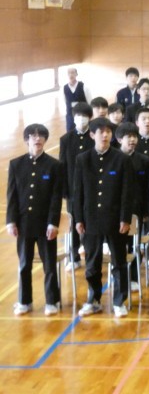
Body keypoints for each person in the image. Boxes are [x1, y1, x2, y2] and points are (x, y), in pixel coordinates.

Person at [74, 118, 133, 318]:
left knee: (119, 262)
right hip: (91, 219)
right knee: (92, 263)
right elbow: (78, 192)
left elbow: (127, 192)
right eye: (101, 132)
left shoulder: (121, 159)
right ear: (92, 135)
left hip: (115, 219)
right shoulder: (82, 159)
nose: (105, 135)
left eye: (108, 131)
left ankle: (119, 301)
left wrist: (125, 218)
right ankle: (94, 300)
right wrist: (78, 219)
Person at [7, 124, 63, 316]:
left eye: (41, 136)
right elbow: (12, 195)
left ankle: (52, 301)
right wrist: (11, 221)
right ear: (26, 140)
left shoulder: (54, 165)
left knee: (49, 265)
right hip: (23, 224)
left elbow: (56, 197)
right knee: (24, 264)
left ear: (45, 139)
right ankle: (25, 301)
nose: (37, 139)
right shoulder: (16, 164)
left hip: (46, 225)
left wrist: (53, 222)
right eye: (33, 136)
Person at [115, 122, 149, 293]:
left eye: (135, 137)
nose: (132, 140)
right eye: (129, 137)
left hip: (136, 210)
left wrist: (146, 211)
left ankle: (134, 277)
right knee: (117, 247)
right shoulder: (113, 159)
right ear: (119, 139)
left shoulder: (144, 160)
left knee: (134, 245)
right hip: (115, 211)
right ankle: (119, 278)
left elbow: (147, 188)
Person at [59, 102, 94, 271]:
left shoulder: (94, 136)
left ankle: (90, 252)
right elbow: (62, 165)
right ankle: (73, 257)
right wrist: (64, 190)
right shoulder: (66, 139)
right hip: (73, 189)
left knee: (89, 221)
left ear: (90, 118)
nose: (81, 119)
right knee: (73, 222)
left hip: (91, 188)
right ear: (73, 118)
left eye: (85, 116)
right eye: (78, 116)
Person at [62, 67, 91, 132]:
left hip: (83, 114)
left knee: (84, 131)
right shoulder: (64, 88)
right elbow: (64, 101)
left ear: (76, 74)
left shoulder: (84, 86)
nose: (70, 75)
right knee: (70, 131)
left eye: (72, 73)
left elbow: (89, 101)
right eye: (69, 73)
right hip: (70, 115)